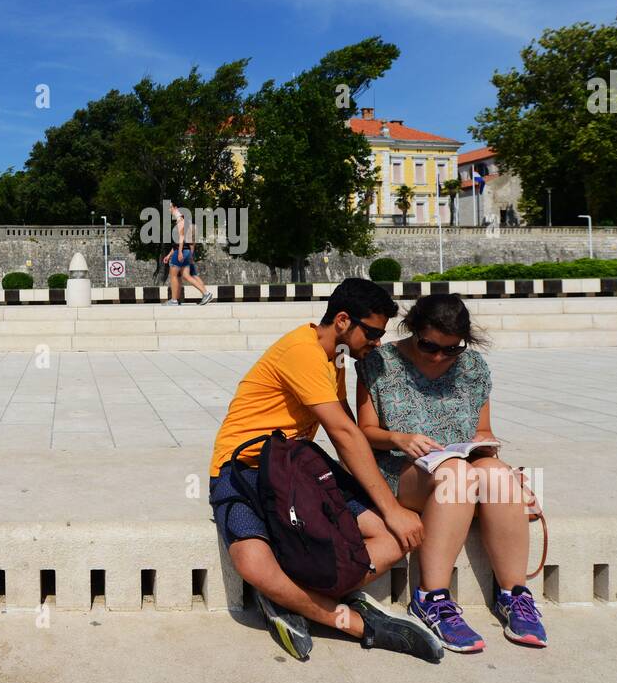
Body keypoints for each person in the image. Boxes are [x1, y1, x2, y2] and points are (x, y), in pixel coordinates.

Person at [208, 277, 443, 662]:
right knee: (252, 563)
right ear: (343, 321)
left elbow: (347, 431)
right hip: (243, 467)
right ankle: (346, 620)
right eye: (372, 332)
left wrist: (390, 492)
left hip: (295, 465)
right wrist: (394, 509)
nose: (377, 342)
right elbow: (344, 434)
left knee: (390, 540)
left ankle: (289, 599)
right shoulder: (300, 351)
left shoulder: (332, 356)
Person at [355, 293, 547, 651]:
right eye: (429, 346)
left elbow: (483, 433)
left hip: (460, 466)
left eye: (451, 349)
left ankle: (514, 594)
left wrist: (497, 459)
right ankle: (431, 598)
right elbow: (363, 433)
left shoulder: (473, 367)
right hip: (403, 470)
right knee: (457, 473)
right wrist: (399, 437)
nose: (440, 356)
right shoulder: (378, 362)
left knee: (496, 475)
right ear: (412, 329)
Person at [162, 202, 213, 305]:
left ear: (175, 208)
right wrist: (168, 255)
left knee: (173, 275)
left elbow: (181, 239)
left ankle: (174, 300)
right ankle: (206, 293)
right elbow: (177, 243)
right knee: (186, 275)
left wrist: (180, 252)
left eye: (170, 208)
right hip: (184, 251)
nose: (169, 210)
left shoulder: (180, 221)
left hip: (181, 251)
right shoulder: (181, 221)